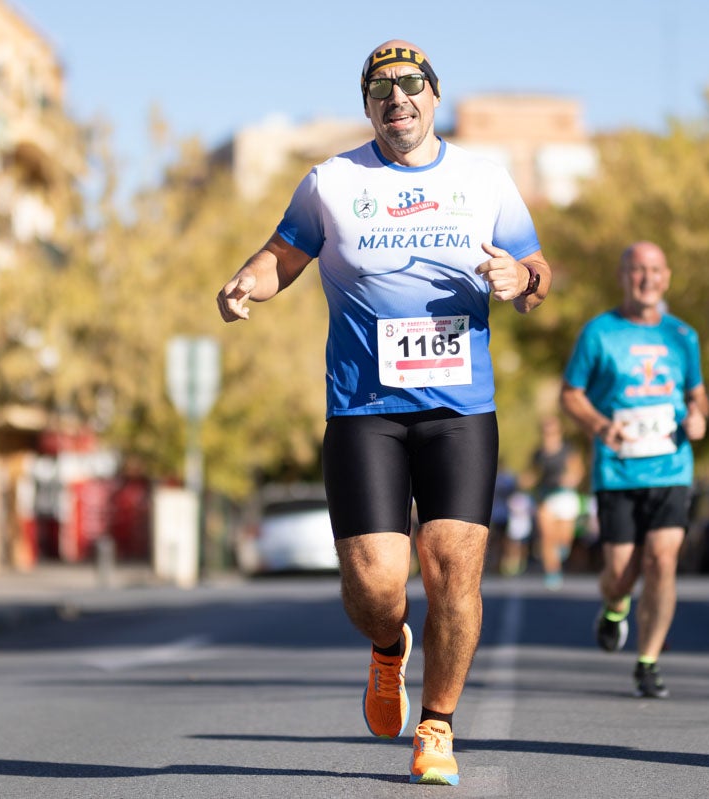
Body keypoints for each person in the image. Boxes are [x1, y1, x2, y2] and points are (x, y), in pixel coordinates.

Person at [216, 39, 550, 786]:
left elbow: (537, 277)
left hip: (460, 405)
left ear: (434, 94)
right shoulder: (331, 182)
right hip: (364, 406)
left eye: (410, 85)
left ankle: (436, 725)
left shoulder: (483, 178)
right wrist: (245, 283)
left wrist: (520, 274)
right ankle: (388, 645)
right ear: (368, 104)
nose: (397, 99)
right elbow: (283, 255)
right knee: (376, 581)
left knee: (453, 571)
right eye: (381, 90)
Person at [560, 241, 708, 699]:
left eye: (655, 270)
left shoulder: (683, 336)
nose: (647, 278)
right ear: (624, 276)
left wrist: (700, 414)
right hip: (619, 470)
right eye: (637, 270)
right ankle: (615, 603)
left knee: (662, 560)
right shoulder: (599, 333)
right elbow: (570, 394)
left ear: (666, 277)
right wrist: (601, 424)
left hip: (671, 466)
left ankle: (648, 661)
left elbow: (697, 394)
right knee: (622, 573)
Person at [530, 416, 586, 590]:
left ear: (559, 432)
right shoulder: (538, 453)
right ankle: (552, 572)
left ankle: (561, 551)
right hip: (546, 496)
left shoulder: (568, 450)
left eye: (552, 431)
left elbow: (578, 471)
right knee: (547, 536)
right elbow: (532, 473)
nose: (549, 434)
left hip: (565, 496)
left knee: (563, 539)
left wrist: (571, 478)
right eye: (546, 431)